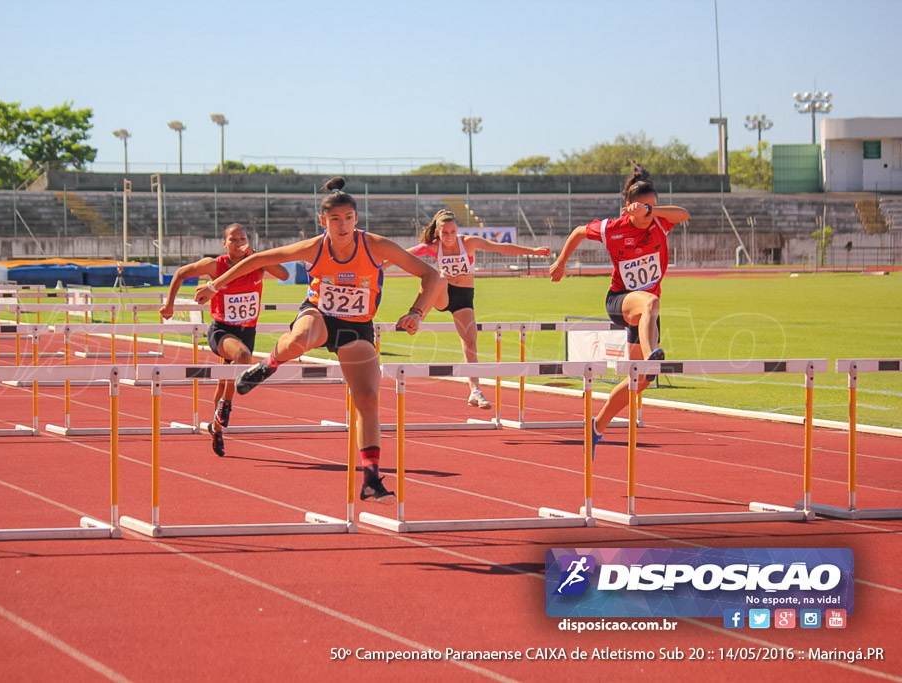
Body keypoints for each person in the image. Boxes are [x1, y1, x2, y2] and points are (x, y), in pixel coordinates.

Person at [195, 177, 445, 502]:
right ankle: (267, 365)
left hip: (357, 327)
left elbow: (432, 274)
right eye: (335, 220)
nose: (343, 226)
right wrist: (215, 286)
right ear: (323, 221)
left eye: (349, 219)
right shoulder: (315, 247)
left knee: (368, 399)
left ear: (357, 218)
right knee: (301, 338)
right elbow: (257, 260)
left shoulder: (376, 246)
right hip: (319, 314)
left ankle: (371, 477)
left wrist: (417, 312)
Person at [548, 162, 690, 457]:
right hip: (620, 300)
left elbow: (684, 215)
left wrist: (653, 212)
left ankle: (596, 426)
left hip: (645, 319)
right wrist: (561, 263)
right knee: (650, 301)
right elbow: (577, 232)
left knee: (638, 380)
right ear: (629, 207)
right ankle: (653, 356)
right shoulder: (613, 229)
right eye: (643, 207)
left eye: (653, 206)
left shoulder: (660, 224)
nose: (648, 212)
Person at [160, 223, 289, 457]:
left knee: (223, 382)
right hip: (221, 331)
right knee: (242, 356)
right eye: (234, 239)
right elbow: (180, 273)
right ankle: (226, 407)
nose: (239, 243)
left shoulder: (257, 263)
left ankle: (216, 428)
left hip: (247, 332)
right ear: (225, 243)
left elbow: (284, 274)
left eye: (243, 238)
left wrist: (255, 256)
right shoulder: (214, 265)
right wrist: (169, 304)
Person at [408, 210, 551, 408]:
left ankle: (475, 391)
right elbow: (402, 256)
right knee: (438, 278)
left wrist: (532, 251)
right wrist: (378, 265)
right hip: (443, 294)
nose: (449, 236)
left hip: (464, 297)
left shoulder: (469, 243)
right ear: (438, 233)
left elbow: (500, 248)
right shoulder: (432, 247)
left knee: (470, 344)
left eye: (453, 231)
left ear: (458, 230)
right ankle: (416, 317)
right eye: (445, 233)